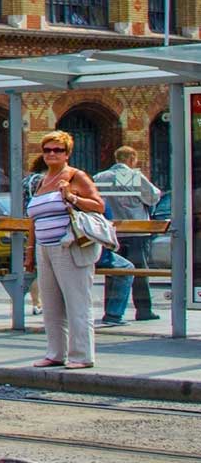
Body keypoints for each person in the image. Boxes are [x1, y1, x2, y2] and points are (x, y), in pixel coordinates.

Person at [26, 129, 104, 370]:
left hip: (69, 246)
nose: (52, 154)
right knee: (51, 304)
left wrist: (72, 197)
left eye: (58, 150)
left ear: (67, 153)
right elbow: (34, 218)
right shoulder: (40, 181)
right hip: (44, 248)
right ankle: (55, 353)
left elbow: (99, 206)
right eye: (47, 149)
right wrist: (30, 250)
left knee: (76, 301)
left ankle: (82, 355)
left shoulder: (75, 176)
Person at [93, 145, 162, 325]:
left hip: (110, 233)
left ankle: (112, 309)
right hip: (135, 231)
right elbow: (153, 197)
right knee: (138, 271)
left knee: (113, 272)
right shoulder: (130, 175)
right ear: (131, 159)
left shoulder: (99, 177)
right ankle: (144, 309)